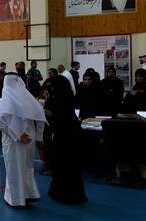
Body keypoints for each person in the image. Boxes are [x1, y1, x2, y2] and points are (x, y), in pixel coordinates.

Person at [0, 72, 47, 207]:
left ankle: (16, 199)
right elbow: (40, 117)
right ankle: (30, 194)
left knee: (14, 168)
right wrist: (37, 137)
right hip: (29, 139)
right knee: (26, 167)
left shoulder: (2, 102)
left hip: (13, 141)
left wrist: (17, 136)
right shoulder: (28, 100)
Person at [47, 76, 88, 204]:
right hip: (71, 137)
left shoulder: (59, 100)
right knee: (71, 166)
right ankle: (72, 193)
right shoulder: (68, 96)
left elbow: (59, 120)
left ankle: (63, 193)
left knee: (62, 166)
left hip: (63, 137)